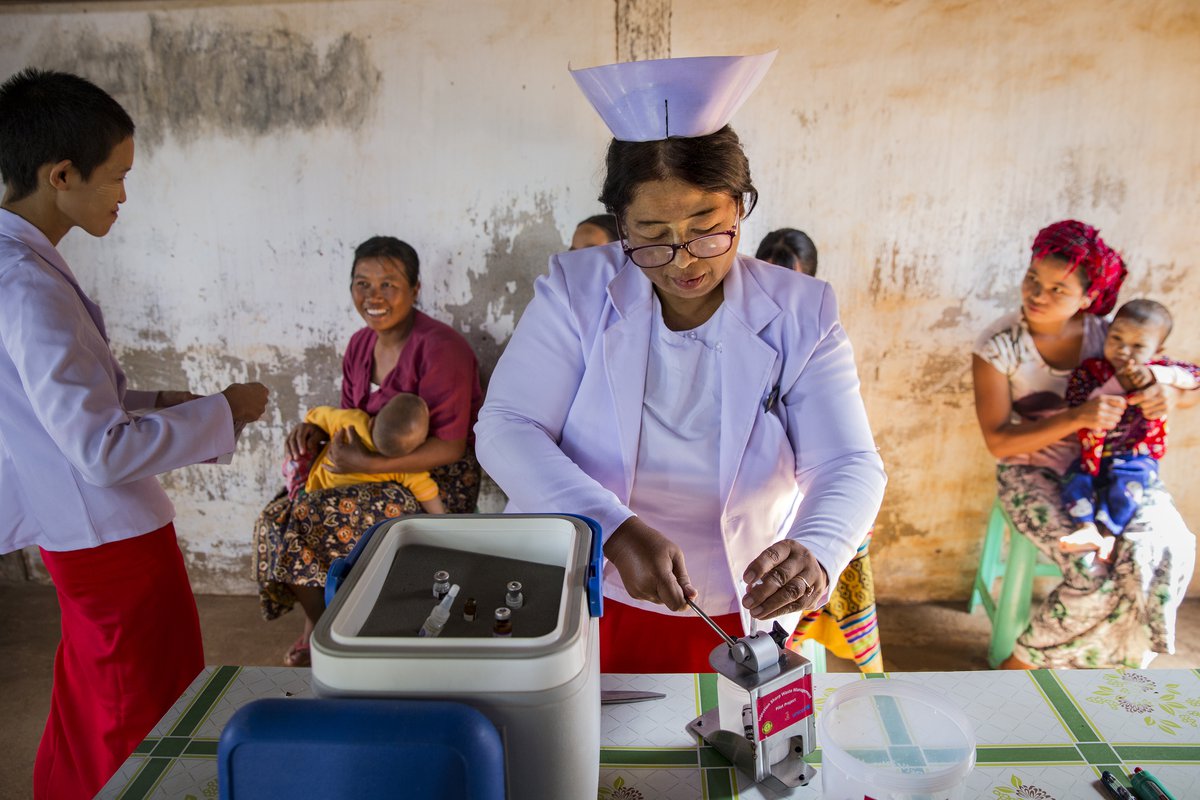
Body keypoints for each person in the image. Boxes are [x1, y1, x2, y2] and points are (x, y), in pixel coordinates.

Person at [477, 53, 886, 673]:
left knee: (729, 751)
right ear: (621, 223)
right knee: (594, 748)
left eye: (707, 227)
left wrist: (819, 546)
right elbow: (507, 426)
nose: (683, 258)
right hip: (591, 578)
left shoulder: (802, 310)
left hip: (738, 594)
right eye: (652, 233)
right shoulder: (576, 290)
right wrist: (611, 527)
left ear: (740, 208)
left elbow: (848, 461)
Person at [0, 69, 269, 800]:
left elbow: (83, 404)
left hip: (86, 535)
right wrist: (225, 410)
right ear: (61, 174)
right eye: (117, 176)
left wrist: (170, 401)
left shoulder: (21, 268)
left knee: (94, 708)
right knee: (137, 719)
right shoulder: (26, 286)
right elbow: (99, 448)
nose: (123, 194)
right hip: (109, 542)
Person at [972, 219, 1196, 669]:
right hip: (1033, 472)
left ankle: (1121, 671)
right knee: (1093, 572)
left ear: (1088, 298)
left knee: (1165, 548)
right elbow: (998, 441)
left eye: (1058, 289)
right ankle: (1019, 667)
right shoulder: (999, 346)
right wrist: (1076, 417)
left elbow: (1184, 380)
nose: (1037, 294)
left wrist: (1166, 392)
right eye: (1033, 279)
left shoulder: (1110, 336)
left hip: (1114, 471)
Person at [254, 235, 483, 667]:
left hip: (434, 481)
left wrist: (371, 463)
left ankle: (332, 638)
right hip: (365, 471)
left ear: (415, 290)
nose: (373, 297)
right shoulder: (360, 344)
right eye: (362, 284)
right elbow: (349, 418)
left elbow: (451, 448)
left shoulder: (441, 349)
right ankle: (323, 623)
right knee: (274, 518)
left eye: (388, 284)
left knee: (311, 514)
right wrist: (314, 433)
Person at [754, 228, 883, 672]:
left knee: (833, 537)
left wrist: (823, 545)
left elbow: (847, 460)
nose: (779, 290)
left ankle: (799, 637)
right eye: (766, 273)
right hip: (758, 504)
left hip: (798, 496)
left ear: (810, 281)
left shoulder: (818, 331)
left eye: (791, 280)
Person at [1059, 299, 1198, 564]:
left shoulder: (1162, 371)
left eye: (1138, 346)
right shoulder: (1090, 371)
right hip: (1093, 456)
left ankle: (1110, 534)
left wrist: (1156, 376)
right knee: (1074, 481)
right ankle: (1086, 528)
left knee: (1127, 489)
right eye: (1117, 339)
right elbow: (1077, 404)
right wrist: (1115, 384)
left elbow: (1195, 376)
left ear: (1157, 350)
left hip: (1136, 456)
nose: (1124, 351)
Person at [284, 393, 447, 515]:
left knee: (297, 456)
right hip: (337, 507)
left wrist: (312, 420)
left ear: (373, 421)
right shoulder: (404, 467)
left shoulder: (351, 421)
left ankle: (295, 493)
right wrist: (443, 521)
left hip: (314, 485)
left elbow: (317, 415)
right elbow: (427, 493)